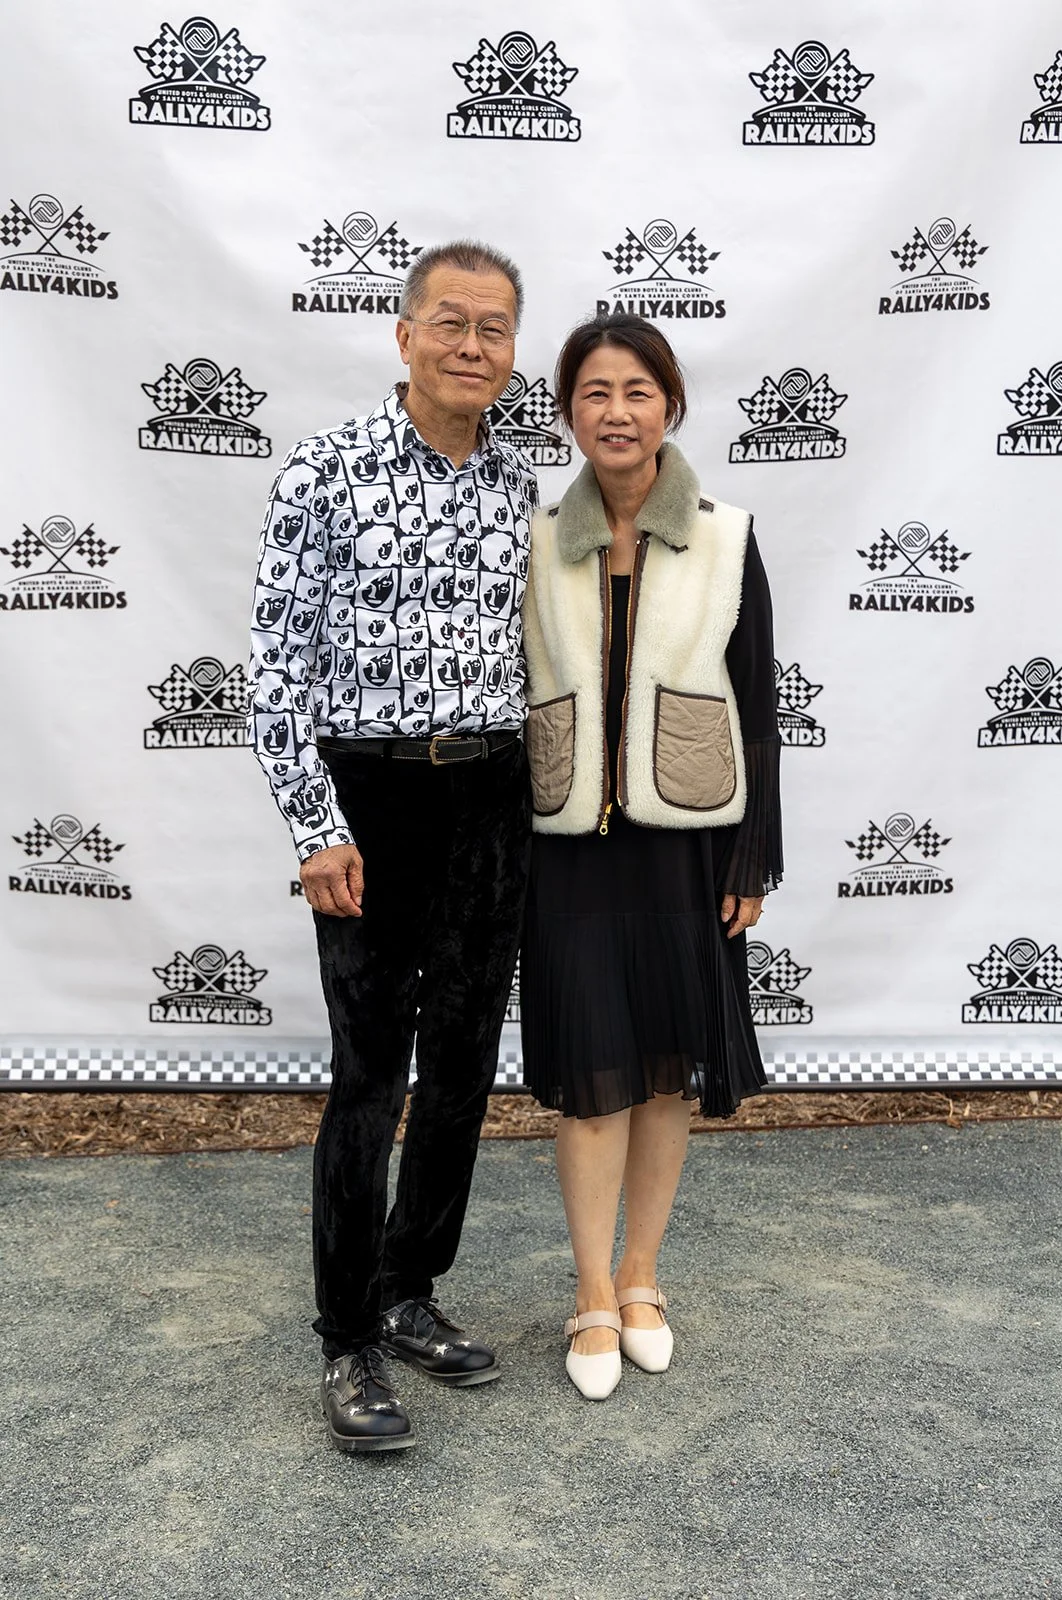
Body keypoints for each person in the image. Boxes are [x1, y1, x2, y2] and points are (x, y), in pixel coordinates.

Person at [247, 241, 536, 1451]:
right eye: (452, 323)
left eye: (497, 329)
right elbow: (272, 674)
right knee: (372, 1078)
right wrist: (317, 829)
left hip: (494, 794)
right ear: (403, 333)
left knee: (465, 1062)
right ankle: (346, 1339)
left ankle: (412, 1291)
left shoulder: (524, 484)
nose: (474, 347)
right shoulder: (323, 472)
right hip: (369, 799)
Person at [519, 313, 782, 1399]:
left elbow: (759, 704)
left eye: (636, 390)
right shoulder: (536, 539)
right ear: (569, 412)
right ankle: (588, 1289)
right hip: (571, 848)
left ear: (669, 405)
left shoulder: (725, 535)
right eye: (594, 392)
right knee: (593, 1078)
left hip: (688, 846)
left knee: (667, 1069)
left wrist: (749, 862)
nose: (615, 411)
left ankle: (640, 1277)